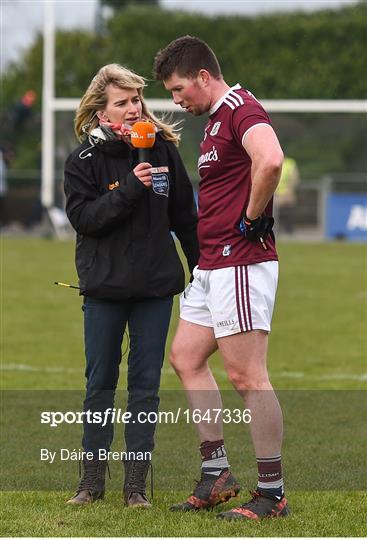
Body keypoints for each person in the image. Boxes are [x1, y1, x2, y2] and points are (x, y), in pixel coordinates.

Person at [153, 36, 289, 520]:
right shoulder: (213, 123)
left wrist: (253, 219)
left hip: (240, 262)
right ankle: (217, 475)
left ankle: (272, 494)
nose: (175, 100)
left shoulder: (239, 109)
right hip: (212, 265)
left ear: (203, 77)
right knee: (186, 358)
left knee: (247, 376)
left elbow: (270, 159)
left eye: (177, 88)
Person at [64, 64, 199, 507]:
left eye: (135, 100)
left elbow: (185, 217)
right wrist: (128, 190)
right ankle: (91, 483)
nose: (132, 108)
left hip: (155, 289)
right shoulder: (82, 160)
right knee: (100, 382)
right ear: (102, 113)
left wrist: (201, 271)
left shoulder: (161, 151)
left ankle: (136, 487)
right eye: (121, 103)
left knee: (145, 386)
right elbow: (84, 219)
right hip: (103, 289)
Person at [274, 156, 300, 234]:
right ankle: (278, 229)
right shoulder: (274, 161)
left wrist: (289, 190)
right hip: (276, 193)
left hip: (288, 193)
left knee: (289, 211)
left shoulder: (290, 163)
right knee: (277, 212)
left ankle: (289, 229)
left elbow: (295, 179)